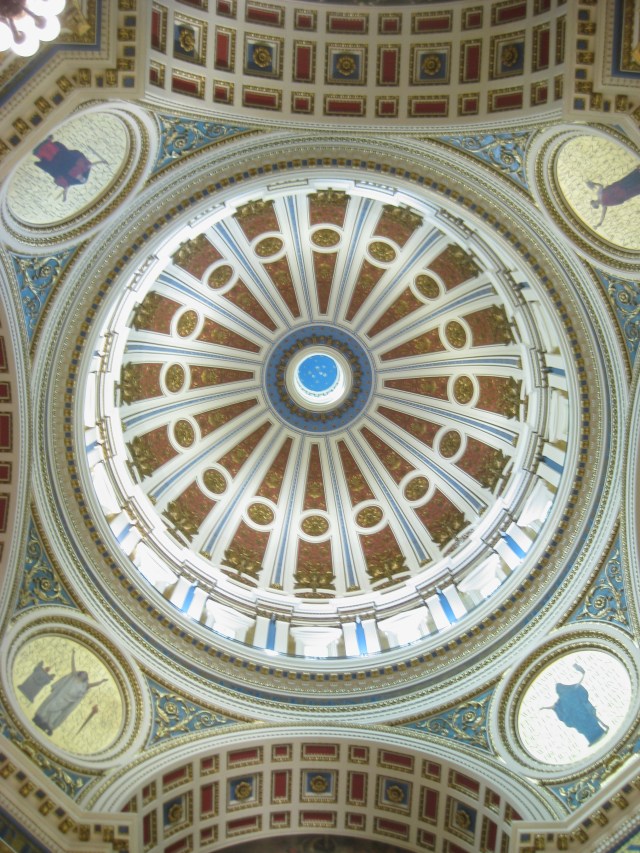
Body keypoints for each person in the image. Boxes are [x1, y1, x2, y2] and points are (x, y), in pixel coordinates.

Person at [32, 649, 106, 736]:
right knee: (51, 705)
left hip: (67, 701)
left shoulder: (84, 685)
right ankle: (41, 717)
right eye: (83, 673)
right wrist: (73, 655)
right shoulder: (74, 676)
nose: (83, 675)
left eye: (85, 675)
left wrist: (101, 681)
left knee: (58, 712)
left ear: (86, 678)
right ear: (80, 673)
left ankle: (48, 724)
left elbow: (94, 684)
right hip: (61, 696)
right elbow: (73, 666)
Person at [31, 135, 108, 202]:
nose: (79, 177)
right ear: (83, 175)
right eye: (81, 177)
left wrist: (65, 197)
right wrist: (102, 162)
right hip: (65, 158)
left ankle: (39, 151)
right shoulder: (84, 169)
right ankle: (47, 143)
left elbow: (66, 188)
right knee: (57, 151)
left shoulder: (71, 180)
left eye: (79, 178)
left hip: (58, 165)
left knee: (51, 158)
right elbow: (91, 165)